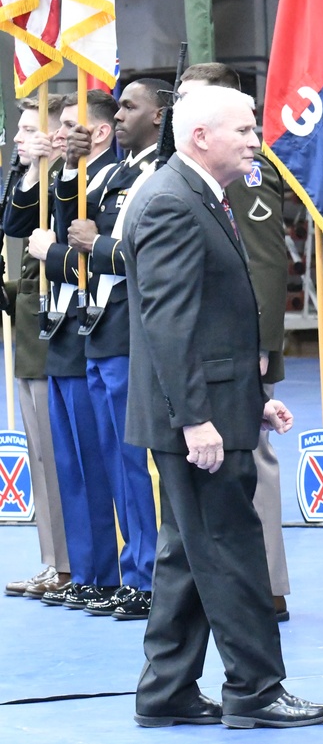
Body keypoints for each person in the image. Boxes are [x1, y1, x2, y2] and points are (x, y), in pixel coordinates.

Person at [123, 84, 323, 729]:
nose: (255, 140)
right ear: (200, 138)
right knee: (233, 549)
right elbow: (169, 323)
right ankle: (256, 689)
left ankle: (168, 692)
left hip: (217, 400)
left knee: (189, 553)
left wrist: (250, 397)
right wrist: (196, 418)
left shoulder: (194, 196)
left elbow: (212, 316)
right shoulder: (171, 203)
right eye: (244, 130)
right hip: (195, 416)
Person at [177, 62, 292, 623]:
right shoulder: (181, 178)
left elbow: (265, 259)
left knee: (253, 457)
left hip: (242, 345)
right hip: (208, 343)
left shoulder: (245, 172)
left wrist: (261, 342)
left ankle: (266, 582)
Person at [51, 81, 170, 620]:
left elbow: (131, 249)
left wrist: (91, 242)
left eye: (130, 106)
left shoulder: (159, 173)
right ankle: (132, 569)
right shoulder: (120, 171)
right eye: (117, 107)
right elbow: (68, 224)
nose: (120, 115)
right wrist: (71, 170)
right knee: (112, 459)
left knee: (134, 459)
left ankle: (148, 575)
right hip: (98, 322)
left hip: (129, 326)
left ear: (159, 115)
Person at [14, 94, 121, 611]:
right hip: (57, 331)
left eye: (68, 128)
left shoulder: (111, 180)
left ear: (97, 132)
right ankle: (85, 568)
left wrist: (49, 253)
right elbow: (17, 222)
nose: (58, 138)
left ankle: (117, 571)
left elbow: (97, 259)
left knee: (102, 462)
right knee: (70, 463)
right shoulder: (67, 180)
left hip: (92, 325)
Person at [2, 95, 71, 600]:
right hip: (29, 333)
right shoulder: (34, 184)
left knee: (58, 455)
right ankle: (53, 559)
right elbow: (13, 226)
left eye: (30, 129)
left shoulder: (67, 186)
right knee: (40, 457)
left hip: (57, 334)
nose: (20, 137)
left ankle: (69, 561)